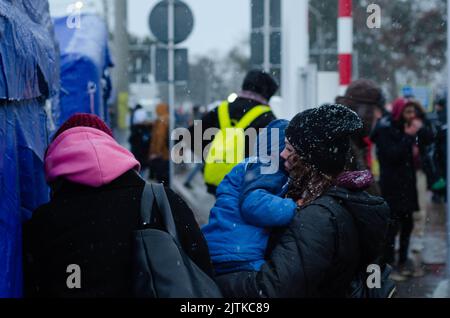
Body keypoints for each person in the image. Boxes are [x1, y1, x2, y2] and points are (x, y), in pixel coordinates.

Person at [22, 114, 214, 297]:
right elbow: (201, 271)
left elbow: (37, 287)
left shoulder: (44, 222)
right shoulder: (161, 200)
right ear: (113, 149)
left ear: (56, 162)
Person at [216, 104, 391, 297]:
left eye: (289, 149)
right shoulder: (338, 196)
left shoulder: (318, 217)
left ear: (311, 160)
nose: (282, 154)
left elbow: (271, 291)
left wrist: (217, 283)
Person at [202, 120, 297, 274]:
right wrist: (292, 207)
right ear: (278, 148)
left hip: (222, 245)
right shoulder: (268, 168)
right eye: (288, 148)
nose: (287, 154)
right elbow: (254, 204)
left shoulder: (254, 164)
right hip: (240, 253)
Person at [188, 69, 279, 195]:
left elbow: (191, 137)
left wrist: (210, 159)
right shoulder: (267, 117)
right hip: (247, 185)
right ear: (268, 93)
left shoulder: (221, 109)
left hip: (218, 180)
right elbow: (273, 156)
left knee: (222, 211)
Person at [371, 98, 425, 278]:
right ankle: (389, 266)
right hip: (393, 186)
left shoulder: (406, 128)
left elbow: (430, 137)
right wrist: (408, 136)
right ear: (398, 113)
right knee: (393, 226)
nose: (411, 116)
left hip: (407, 185)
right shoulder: (386, 130)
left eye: (413, 112)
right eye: (407, 112)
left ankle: (403, 261)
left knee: (408, 224)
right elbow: (392, 155)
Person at [335, 79, 386, 195]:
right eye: (376, 110)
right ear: (361, 111)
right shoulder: (345, 149)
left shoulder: (351, 142)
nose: (379, 116)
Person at [149, 103, 170, 186]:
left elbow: (160, 137)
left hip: (162, 154)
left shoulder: (162, 121)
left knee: (161, 179)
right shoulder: (167, 119)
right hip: (166, 154)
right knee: (165, 178)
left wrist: (156, 152)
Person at [128, 104, 152, 177]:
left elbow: (132, 141)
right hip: (142, 157)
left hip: (140, 157)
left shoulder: (137, 129)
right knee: (142, 176)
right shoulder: (145, 129)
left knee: (141, 175)